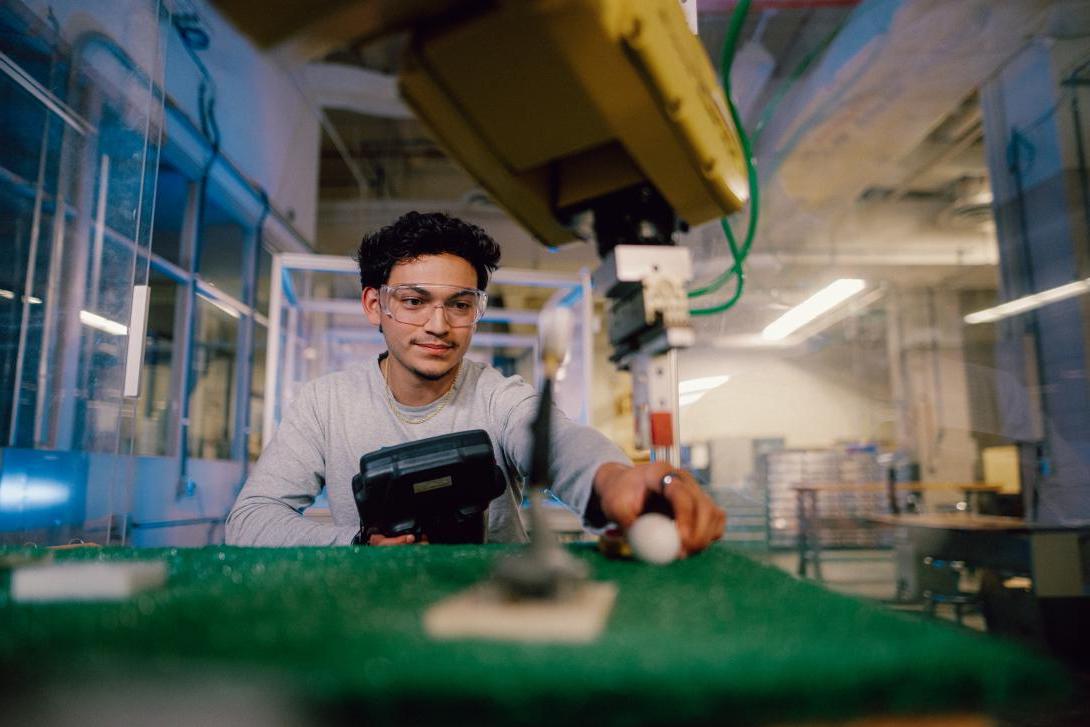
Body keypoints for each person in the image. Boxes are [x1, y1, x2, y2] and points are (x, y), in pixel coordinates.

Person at [226, 212, 725, 553]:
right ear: (375, 306)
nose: (439, 325)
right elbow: (249, 521)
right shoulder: (325, 404)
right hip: (373, 618)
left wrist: (615, 479)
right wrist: (358, 543)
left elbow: (556, 440)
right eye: (415, 301)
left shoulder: (498, 397)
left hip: (495, 612)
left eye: (460, 305)